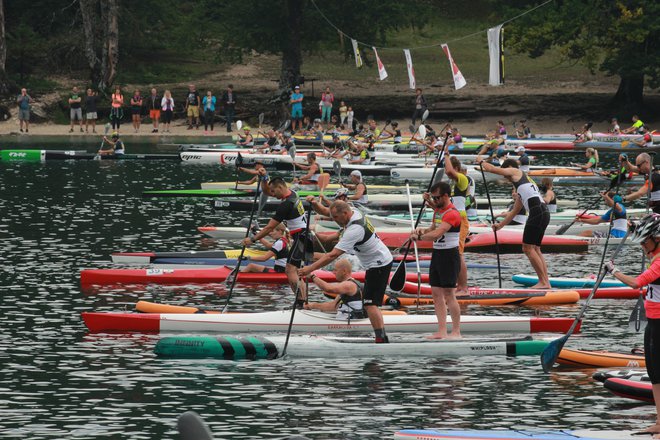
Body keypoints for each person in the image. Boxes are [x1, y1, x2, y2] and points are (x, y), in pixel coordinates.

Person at [299, 200, 393, 343]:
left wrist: (310, 269)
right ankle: (380, 336)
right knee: (369, 303)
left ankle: (381, 338)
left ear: (345, 213)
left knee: (370, 303)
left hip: (379, 264)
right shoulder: (352, 211)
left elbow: (332, 255)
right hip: (374, 262)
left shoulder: (355, 230)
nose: (334, 221)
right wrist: (314, 204)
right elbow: (327, 212)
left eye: (336, 218)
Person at [605, 214, 660, 435]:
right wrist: (635, 227)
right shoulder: (654, 255)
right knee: (655, 373)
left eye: (645, 241)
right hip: (654, 322)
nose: (643, 246)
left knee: (658, 373)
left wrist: (614, 271)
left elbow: (636, 283)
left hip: (659, 324)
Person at [477, 157, 551, 289]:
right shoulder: (523, 185)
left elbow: (493, 169)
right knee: (536, 249)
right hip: (543, 212)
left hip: (537, 212)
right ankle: (546, 283)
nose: (507, 178)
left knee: (527, 248)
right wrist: (500, 225)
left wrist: (481, 161)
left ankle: (543, 282)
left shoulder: (516, 171)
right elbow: (514, 211)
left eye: (506, 175)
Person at [243, 176, 311, 304]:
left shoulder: (286, 205)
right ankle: (304, 302)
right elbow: (267, 191)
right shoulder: (293, 193)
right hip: (305, 236)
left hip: (301, 237)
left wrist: (252, 239)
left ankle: (300, 303)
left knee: (289, 270)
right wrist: (264, 178)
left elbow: (269, 227)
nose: (272, 195)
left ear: (280, 187)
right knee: (296, 272)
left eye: (274, 192)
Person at [410, 181, 462, 339]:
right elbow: (432, 229)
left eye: (437, 198)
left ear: (446, 196)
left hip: (449, 256)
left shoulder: (452, 213)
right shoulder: (438, 212)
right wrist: (421, 230)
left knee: (449, 293)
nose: (435, 200)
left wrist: (419, 237)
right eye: (433, 197)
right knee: (436, 293)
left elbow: (437, 234)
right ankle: (441, 331)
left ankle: (456, 332)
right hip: (438, 255)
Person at [442, 152, 470, 294]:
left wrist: (446, 155)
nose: (447, 173)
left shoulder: (463, 179)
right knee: (453, 254)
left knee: (458, 254)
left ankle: (464, 288)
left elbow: (449, 171)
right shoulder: (453, 185)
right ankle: (458, 285)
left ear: (457, 168)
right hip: (452, 220)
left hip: (461, 220)